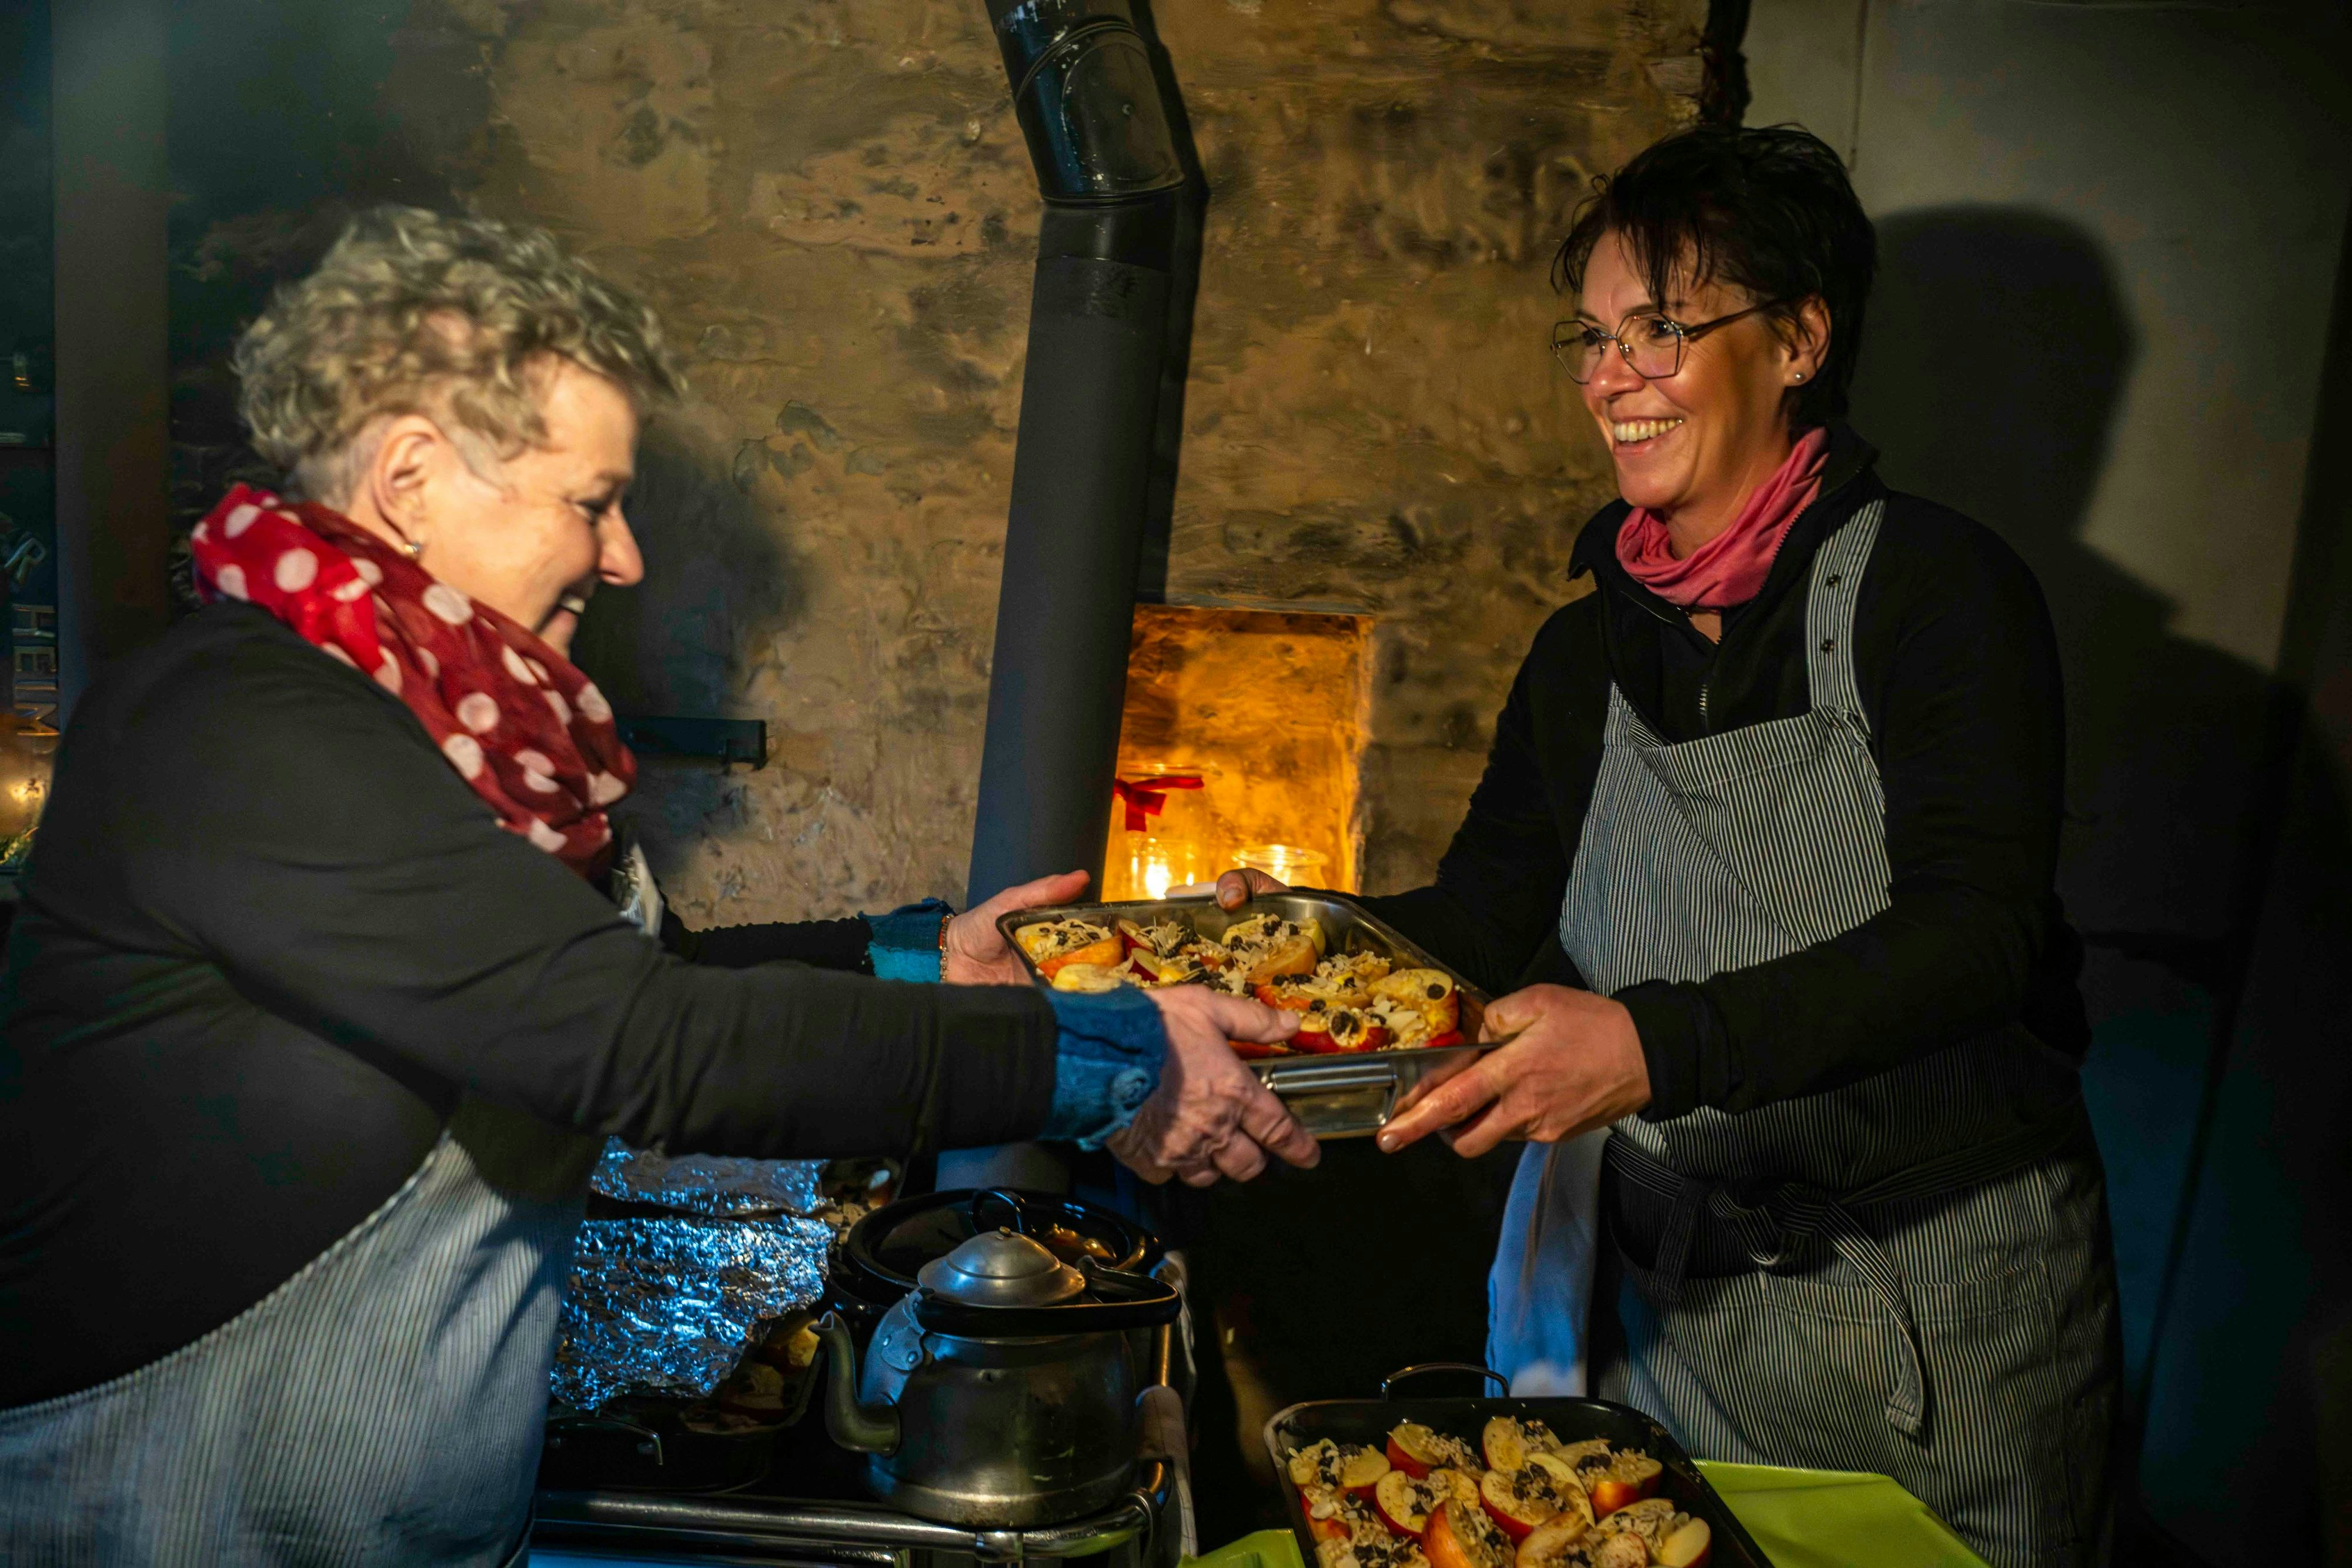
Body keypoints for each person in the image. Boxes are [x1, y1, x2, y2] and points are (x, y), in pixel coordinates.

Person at [0, 206, 1316, 1566]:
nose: (623, 556)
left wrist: (921, 959)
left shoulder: (452, 736)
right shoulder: (240, 727)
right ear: (409, 477)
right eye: (590, 503)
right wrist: (1104, 1055)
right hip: (153, 1509)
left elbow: (643, 977)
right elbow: (636, 1042)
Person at [1210, 126, 2120, 1567]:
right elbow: (1479, 909)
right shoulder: (1586, 654)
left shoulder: (1935, 593)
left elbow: (1980, 934)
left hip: (1940, 1309)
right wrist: (1293, 935)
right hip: (1682, 1324)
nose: (1608, 378)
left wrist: (1646, 1046)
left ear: (1800, 338)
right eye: (1592, 336)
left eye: (1662, 329)